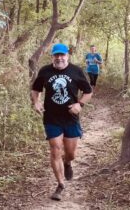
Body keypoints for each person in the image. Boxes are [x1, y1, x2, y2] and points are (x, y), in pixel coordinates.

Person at [31, 43, 92, 201]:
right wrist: (36, 102)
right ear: (52, 56)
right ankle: (60, 184)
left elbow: (88, 91)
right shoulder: (45, 71)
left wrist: (80, 104)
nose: (59, 58)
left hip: (70, 118)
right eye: (56, 55)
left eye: (62, 55)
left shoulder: (76, 71)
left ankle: (68, 162)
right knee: (55, 150)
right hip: (51, 118)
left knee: (71, 153)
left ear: (67, 56)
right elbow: (35, 89)